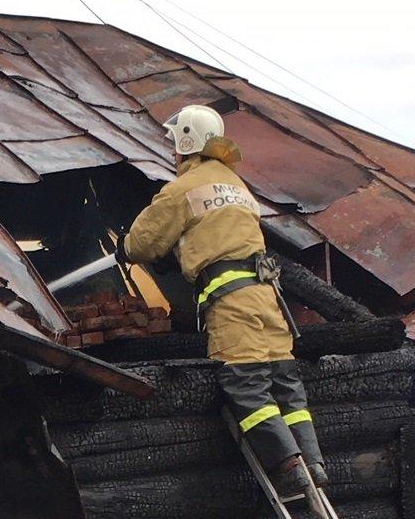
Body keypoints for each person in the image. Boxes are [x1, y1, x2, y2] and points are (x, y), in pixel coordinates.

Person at [115, 104, 327, 496]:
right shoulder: (237, 186)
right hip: (268, 300)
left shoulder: (182, 190)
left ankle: (289, 465)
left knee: (245, 384)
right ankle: (313, 460)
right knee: (284, 382)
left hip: (233, 304)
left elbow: (143, 243)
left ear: (186, 142)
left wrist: (123, 248)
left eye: (175, 144)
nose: (173, 153)